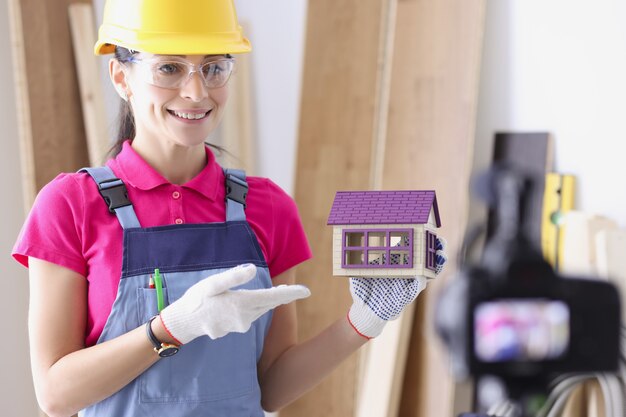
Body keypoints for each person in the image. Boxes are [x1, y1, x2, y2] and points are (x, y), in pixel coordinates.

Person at [12, 1, 446, 416]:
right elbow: (55, 395)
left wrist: (363, 322)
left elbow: (271, 386)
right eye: (169, 67)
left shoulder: (267, 207)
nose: (197, 91)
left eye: (214, 67)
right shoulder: (72, 205)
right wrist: (169, 329)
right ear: (121, 77)